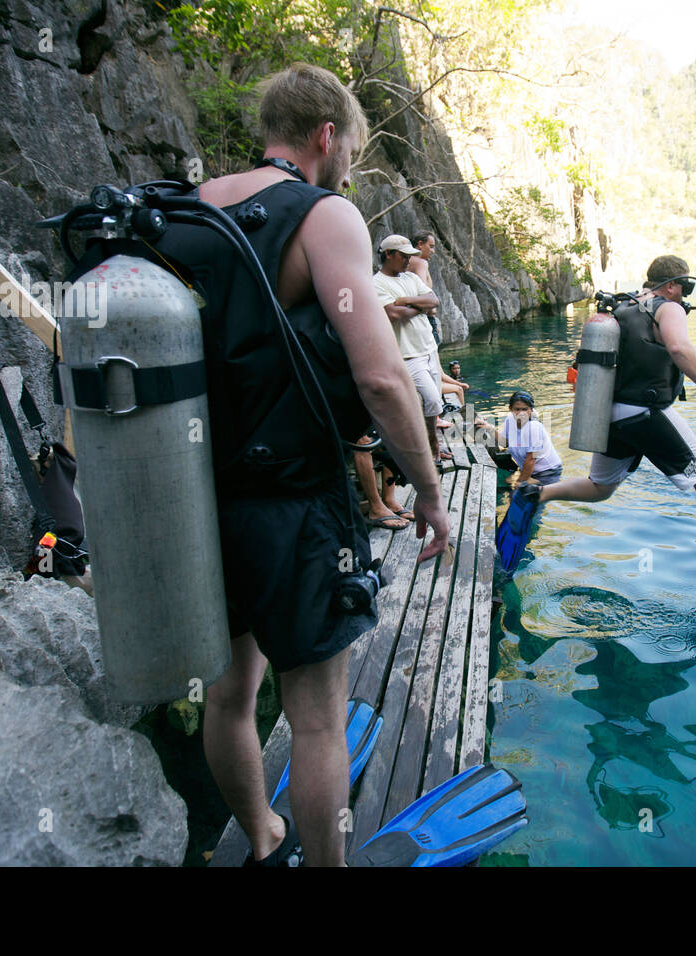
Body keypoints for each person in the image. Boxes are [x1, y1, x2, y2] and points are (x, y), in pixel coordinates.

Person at [196, 64, 448, 868]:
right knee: (316, 720)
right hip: (296, 505)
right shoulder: (324, 214)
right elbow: (378, 377)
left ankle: (263, 835)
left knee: (231, 694)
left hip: (195, 500)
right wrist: (433, 493)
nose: (347, 169)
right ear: (325, 137)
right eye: (350, 151)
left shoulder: (194, 206)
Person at [531, 255, 696, 551]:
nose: (685, 294)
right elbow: (679, 348)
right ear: (673, 285)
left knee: (601, 487)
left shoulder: (624, 305)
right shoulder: (668, 308)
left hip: (609, 413)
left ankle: (536, 494)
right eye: (685, 286)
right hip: (645, 412)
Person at [374, 234, 452, 465]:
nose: (408, 260)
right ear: (388, 254)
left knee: (433, 402)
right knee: (432, 401)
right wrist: (419, 306)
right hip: (408, 355)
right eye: (403, 256)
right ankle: (431, 449)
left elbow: (434, 300)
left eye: (410, 256)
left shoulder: (409, 278)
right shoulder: (376, 283)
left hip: (428, 348)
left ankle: (431, 448)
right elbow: (394, 314)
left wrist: (405, 300)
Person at [499, 390, 562, 486]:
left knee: (518, 495)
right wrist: (488, 428)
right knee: (506, 483)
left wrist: (520, 483)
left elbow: (531, 460)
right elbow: (504, 442)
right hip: (530, 470)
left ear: (531, 410)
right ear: (510, 409)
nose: (521, 413)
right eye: (517, 409)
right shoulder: (510, 420)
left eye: (525, 409)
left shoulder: (534, 428)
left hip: (548, 472)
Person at [407, 231, 441, 344]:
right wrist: (431, 310)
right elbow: (423, 292)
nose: (433, 251)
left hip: (409, 318)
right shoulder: (421, 263)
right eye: (431, 246)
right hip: (423, 317)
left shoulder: (407, 261)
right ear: (420, 244)